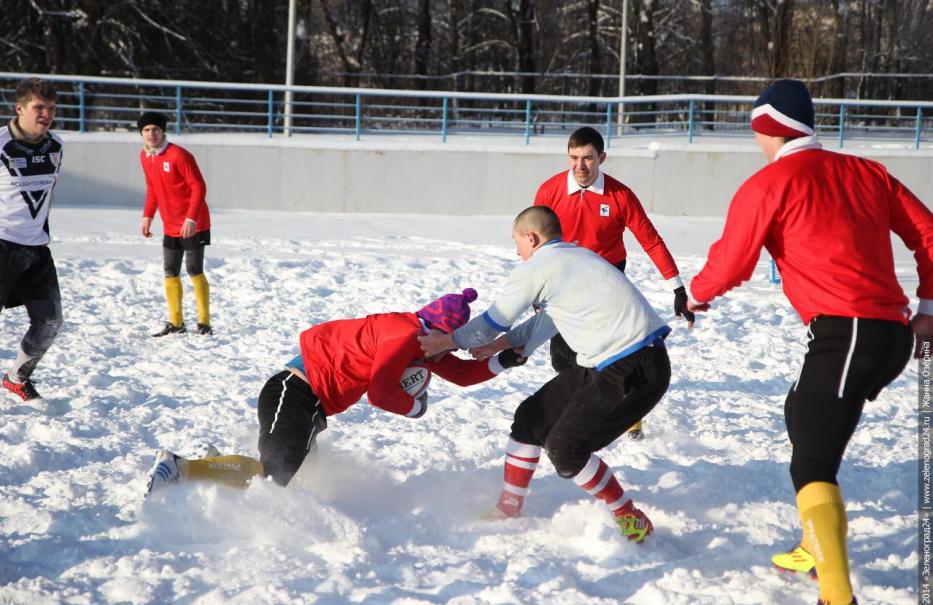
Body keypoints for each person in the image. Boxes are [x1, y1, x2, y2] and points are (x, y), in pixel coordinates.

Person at [686, 79, 933, 605]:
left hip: (846, 333)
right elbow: (929, 234)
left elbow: (731, 263)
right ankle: (814, 541)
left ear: (764, 127)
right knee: (799, 411)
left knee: (812, 463)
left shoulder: (769, 183)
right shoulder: (868, 172)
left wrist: (696, 295)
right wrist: (928, 309)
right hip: (886, 334)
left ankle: (838, 600)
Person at [419, 206, 671, 543]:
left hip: (632, 366)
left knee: (566, 450)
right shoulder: (577, 259)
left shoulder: (539, 267)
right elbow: (548, 320)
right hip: (616, 361)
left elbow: (493, 320)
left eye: (517, 243)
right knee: (529, 419)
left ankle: (629, 515)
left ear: (531, 238)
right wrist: (501, 346)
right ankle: (509, 507)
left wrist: (447, 340)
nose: (517, 252)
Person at [145, 288, 526, 494]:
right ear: (435, 330)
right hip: (292, 392)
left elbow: (461, 375)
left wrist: (504, 362)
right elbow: (379, 393)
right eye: (450, 341)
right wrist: (414, 408)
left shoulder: (426, 345)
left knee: (280, 482)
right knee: (272, 480)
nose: (452, 349)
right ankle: (181, 468)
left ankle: (216, 466)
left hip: (313, 408)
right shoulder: (404, 335)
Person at [534, 126, 692, 439]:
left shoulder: (620, 195)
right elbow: (535, 241)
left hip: (608, 278)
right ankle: (584, 402)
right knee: (563, 358)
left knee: (614, 348)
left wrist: (677, 288)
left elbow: (651, 241)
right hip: (566, 279)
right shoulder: (550, 191)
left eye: (588, 158)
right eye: (574, 158)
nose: (580, 166)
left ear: (601, 158)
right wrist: (536, 289)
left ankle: (627, 411)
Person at [0, 78, 65, 402]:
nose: (46, 114)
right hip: (2, 245)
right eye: (39, 107)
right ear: (20, 108)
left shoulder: (55, 146)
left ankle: (16, 378)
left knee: (50, 321)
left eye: (51, 108)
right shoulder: (0, 144)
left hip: (37, 250)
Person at [137, 112, 213, 337]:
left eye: (156, 130)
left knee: (193, 269)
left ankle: (204, 323)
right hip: (170, 224)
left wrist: (191, 218)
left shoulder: (179, 155)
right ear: (141, 134)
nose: (151, 134)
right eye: (147, 130)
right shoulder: (145, 156)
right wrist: (147, 215)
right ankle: (176, 322)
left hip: (194, 222)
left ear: (163, 131)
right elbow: (152, 188)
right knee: (170, 271)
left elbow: (199, 187)